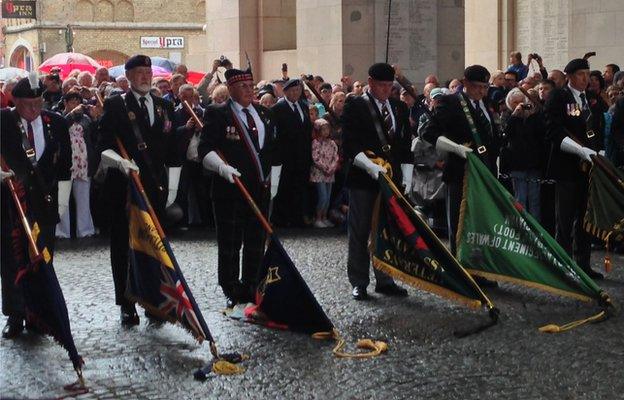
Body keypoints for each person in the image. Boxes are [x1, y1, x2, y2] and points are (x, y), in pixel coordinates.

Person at [97, 55, 178, 325]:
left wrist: (172, 188)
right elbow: (103, 147)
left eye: (148, 72)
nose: (145, 77)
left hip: (155, 187)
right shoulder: (116, 105)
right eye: (139, 73)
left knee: (154, 246)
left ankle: (154, 301)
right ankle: (127, 302)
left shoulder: (165, 106)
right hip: (125, 188)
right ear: (128, 77)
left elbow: (173, 151)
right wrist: (120, 162)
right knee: (124, 246)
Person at [198, 67, 282, 308]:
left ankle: (252, 283)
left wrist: (273, 179)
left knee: (256, 240)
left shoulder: (265, 113)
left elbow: (273, 150)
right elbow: (205, 148)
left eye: (251, 85)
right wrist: (222, 168)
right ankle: (230, 286)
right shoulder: (217, 113)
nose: (249, 90)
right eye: (243, 86)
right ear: (231, 88)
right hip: (230, 189)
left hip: (260, 187)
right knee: (230, 242)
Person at [1, 75, 72, 338]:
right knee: (12, 258)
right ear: (15, 101)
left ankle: (38, 313)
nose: (33, 109)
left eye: (37, 103)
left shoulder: (57, 123)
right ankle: (16, 314)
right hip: (12, 200)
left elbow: (65, 164)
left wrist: (62, 202)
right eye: (27, 104)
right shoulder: (4, 122)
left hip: (45, 201)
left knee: (43, 257)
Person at [342, 62, 412, 301]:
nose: (385, 90)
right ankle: (359, 282)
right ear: (370, 83)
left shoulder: (399, 107)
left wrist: (407, 175)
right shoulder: (356, 105)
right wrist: (371, 166)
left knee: (386, 231)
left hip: (392, 181)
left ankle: (385, 279)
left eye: (388, 85)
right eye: (380, 85)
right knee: (360, 231)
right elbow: (350, 143)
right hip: (364, 178)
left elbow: (404, 145)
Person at [423, 65, 501, 258]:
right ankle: (461, 266)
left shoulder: (486, 103)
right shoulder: (450, 102)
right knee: (460, 223)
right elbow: (429, 132)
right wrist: (456, 148)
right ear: (465, 83)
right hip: (461, 171)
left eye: (485, 87)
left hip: (485, 172)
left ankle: (481, 266)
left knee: (482, 224)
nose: (482, 91)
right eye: (477, 87)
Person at [544, 58, 604, 279]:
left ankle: (583, 263)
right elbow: (553, 129)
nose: (586, 79)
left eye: (588, 74)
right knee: (565, 218)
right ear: (569, 76)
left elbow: (596, 128)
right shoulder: (560, 96)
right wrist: (579, 150)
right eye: (581, 74)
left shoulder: (590, 99)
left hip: (588, 169)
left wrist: (600, 151)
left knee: (585, 218)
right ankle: (563, 265)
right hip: (567, 167)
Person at [271, 78, 313, 227]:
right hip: (286, 156)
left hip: (302, 155)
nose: (296, 93)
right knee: (284, 187)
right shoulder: (278, 108)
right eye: (293, 90)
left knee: (300, 187)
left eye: (298, 90)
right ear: (286, 91)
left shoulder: (303, 105)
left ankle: (297, 217)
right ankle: (282, 218)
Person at [56, 92, 98, 239]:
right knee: (63, 198)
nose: (75, 104)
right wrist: (71, 115)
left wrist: (95, 117)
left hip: (83, 161)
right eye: (71, 101)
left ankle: (85, 230)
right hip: (66, 161)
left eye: (77, 101)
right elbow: (60, 130)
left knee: (83, 197)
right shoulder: (59, 117)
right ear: (66, 103)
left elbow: (94, 136)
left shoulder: (86, 119)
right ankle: (62, 231)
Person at [310, 118, 339, 228]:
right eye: (323, 130)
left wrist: (332, 168)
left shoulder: (331, 143)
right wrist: (325, 168)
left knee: (328, 197)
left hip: (330, 174)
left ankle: (324, 217)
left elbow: (335, 156)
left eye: (327, 129)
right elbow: (316, 158)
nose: (326, 132)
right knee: (323, 196)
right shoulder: (316, 143)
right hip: (319, 174)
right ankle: (318, 217)